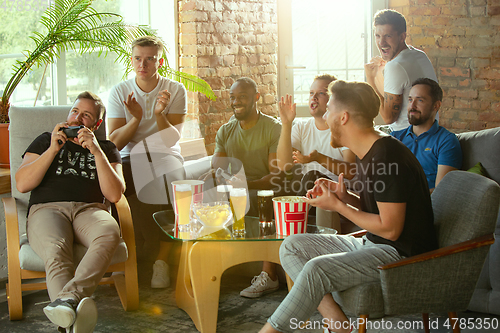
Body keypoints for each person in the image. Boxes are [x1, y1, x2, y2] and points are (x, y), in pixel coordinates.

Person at [259, 80, 438, 333]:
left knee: (315, 269)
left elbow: (391, 229)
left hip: (401, 255)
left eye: (328, 109)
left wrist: (338, 206)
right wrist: (344, 198)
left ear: (343, 117)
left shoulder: (386, 156)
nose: (324, 115)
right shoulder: (370, 150)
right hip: (375, 243)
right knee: (291, 246)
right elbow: (380, 210)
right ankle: (339, 324)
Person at [16, 92, 125, 333]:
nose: (77, 118)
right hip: (47, 209)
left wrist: (96, 151)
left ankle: (67, 302)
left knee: (109, 232)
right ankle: (72, 321)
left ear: (96, 125)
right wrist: (53, 150)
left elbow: (115, 194)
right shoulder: (46, 140)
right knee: (57, 250)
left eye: (86, 115)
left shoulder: (106, 148)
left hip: (90, 210)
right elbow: (22, 184)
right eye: (75, 111)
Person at [107, 36, 187, 289]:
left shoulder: (175, 90)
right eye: (138, 58)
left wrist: (158, 114)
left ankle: (159, 262)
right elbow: (114, 144)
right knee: (125, 188)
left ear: (159, 61)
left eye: (150, 59)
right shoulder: (120, 91)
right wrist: (136, 120)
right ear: (132, 61)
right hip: (131, 155)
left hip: (166, 155)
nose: (144, 64)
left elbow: (171, 139)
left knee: (168, 184)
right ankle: (136, 258)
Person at [212, 77, 283, 298]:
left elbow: (275, 177)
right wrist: (225, 180)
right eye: (233, 97)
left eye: (242, 96)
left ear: (256, 98)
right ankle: (213, 265)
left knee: (263, 197)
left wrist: (243, 184)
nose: (236, 102)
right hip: (236, 187)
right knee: (207, 196)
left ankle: (269, 276)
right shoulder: (225, 131)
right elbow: (218, 167)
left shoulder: (273, 128)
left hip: (263, 187)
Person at [276, 74, 356, 196]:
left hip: (339, 193)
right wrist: (286, 124)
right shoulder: (301, 127)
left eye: (321, 93)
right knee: (280, 193)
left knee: (312, 176)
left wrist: (318, 158)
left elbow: (350, 172)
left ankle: (298, 212)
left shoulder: (345, 127)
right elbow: (283, 165)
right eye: (311, 93)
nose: (314, 97)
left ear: (334, 99)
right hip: (310, 190)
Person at [364, 9, 437, 131]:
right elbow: (392, 97)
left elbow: (388, 118)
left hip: (406, 138)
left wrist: (370, 80)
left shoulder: (396, 66)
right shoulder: (419, 54)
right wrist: (380, 72)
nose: (381, 42)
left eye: (388, 36)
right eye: (377, 36)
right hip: (428, 132)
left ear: (402, 36)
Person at [391, 78, 462, 192]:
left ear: (436, 106)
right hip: (388, 202)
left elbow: (442, 191)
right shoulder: (394, 137)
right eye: (410, 100)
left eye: (420, 100)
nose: (412, 106)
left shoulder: (447, 141)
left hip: (422, 206)